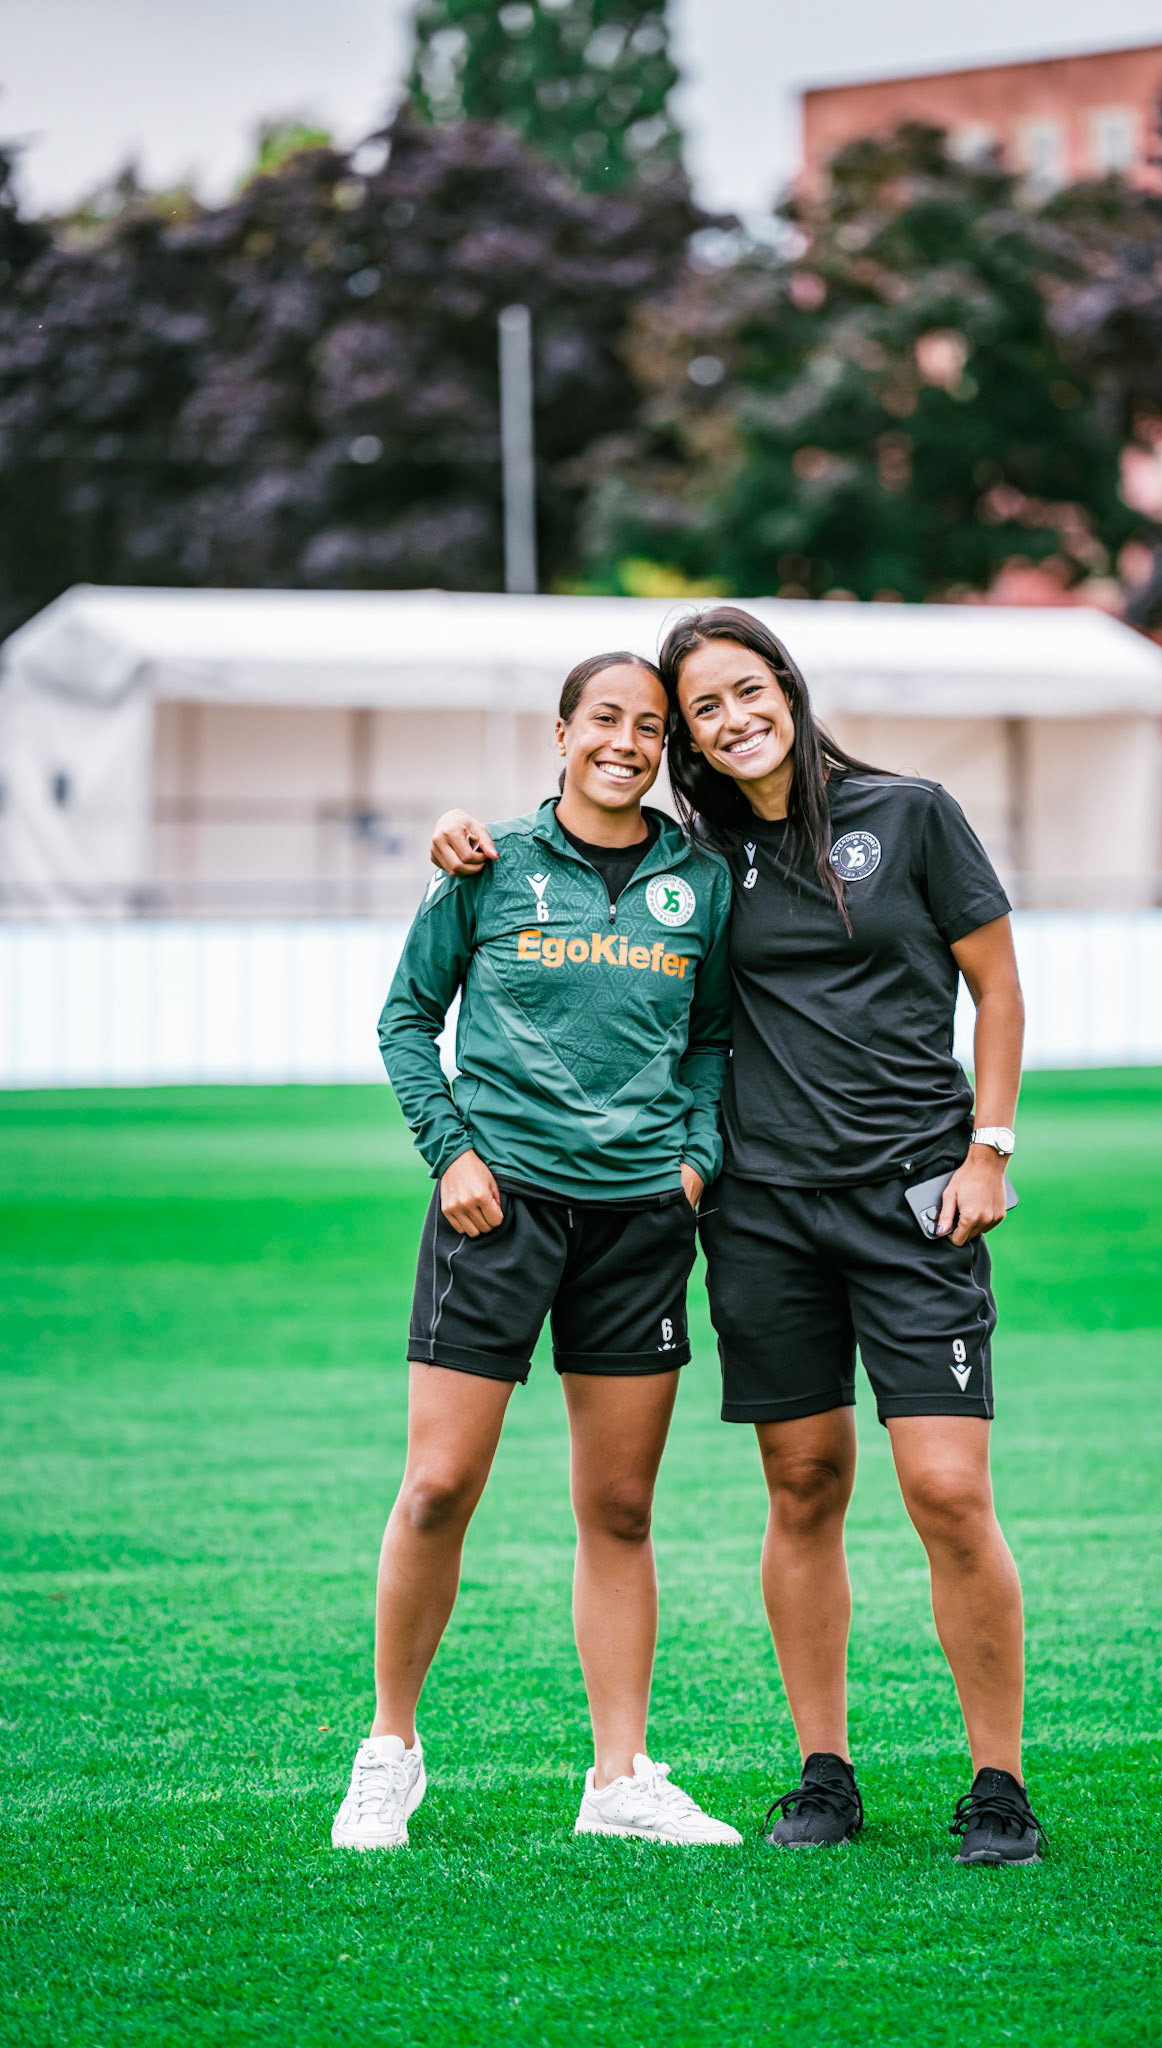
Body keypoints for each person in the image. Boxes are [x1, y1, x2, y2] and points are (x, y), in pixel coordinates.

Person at [428, 607, 1047, 1867]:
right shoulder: (701, 856)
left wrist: (991, 1145)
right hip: (763, 1215)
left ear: (787, 687)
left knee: (945, 1488)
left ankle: (999, 1783)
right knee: (804, 1483)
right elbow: (578, 835)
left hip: (915, 1197)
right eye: (702, 708)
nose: (730, 718)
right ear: (690, 739)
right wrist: (462, 839)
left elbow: (999, 983)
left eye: (745, 690)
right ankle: (825, 1772)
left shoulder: (911, 813)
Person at [332, 650, 740, 1852]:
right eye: (605, 719)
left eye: (651, 726)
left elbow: (713, 1036)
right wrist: (450, 1152)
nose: (628, 741)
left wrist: (697, 1157)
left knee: (618, 1503)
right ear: (560, 732)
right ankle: (390, 1750)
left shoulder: (699, 879)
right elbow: (407, 1018)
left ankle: (619, 1777)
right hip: (496, 1213)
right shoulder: (488, 862)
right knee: (440, 1484)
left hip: (641, 1222)